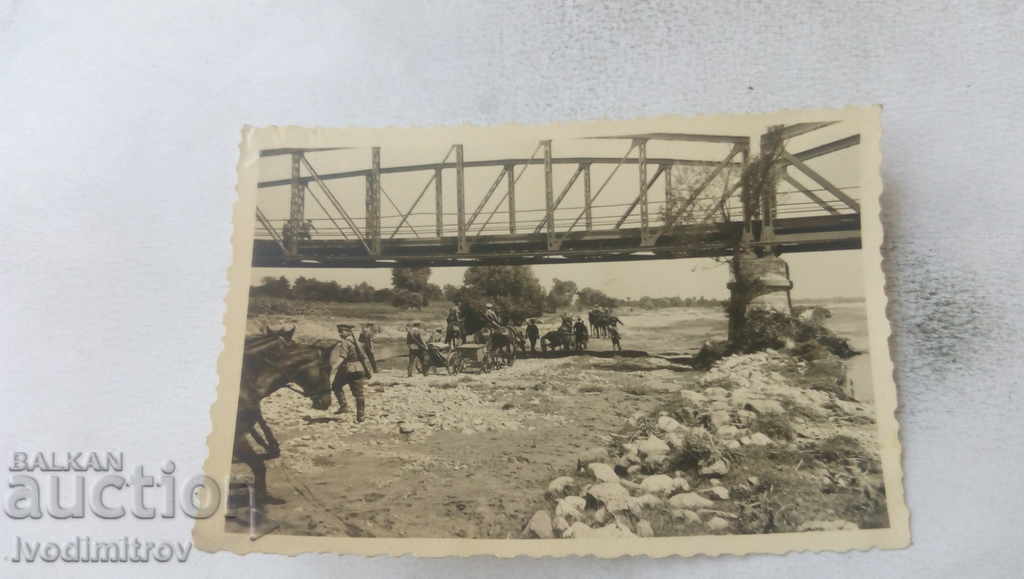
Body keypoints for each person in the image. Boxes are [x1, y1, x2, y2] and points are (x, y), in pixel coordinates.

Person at [331, 324, 371, 421]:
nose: (340, 334)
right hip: (359, 369)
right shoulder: (358, 342)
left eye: (341, 331)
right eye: (339, 331)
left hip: (348, 369)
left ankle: (344, 406)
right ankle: (361, 416)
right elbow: (365, 357)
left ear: (348, 332)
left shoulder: (345, 342)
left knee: (336, 385)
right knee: (359, 394)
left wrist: (332, 368)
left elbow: (342, 358)